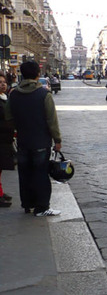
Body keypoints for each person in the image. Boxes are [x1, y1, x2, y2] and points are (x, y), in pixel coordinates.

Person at [6, 61, 62, 216]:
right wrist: (57, 140)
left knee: (25, 174)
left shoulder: (14, 94)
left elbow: (9, 117)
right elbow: (52, 120)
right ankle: (42, 207)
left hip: (23, 141)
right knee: (41, 174)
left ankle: (27, 204)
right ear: (38, 74)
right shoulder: (44, 94)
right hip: (41, 142)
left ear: (22, 74)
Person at [0, 73, 15, 207]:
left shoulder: (6, 98)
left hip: (5, 138)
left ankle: (0, 192)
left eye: (4, 82)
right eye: (0, 82)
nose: (3, 84)